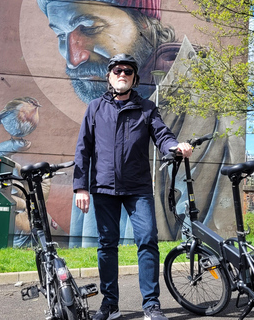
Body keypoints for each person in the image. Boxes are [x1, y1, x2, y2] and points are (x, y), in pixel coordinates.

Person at [73, 54, 193, 320]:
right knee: (107, 245)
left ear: (134, 78)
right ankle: (110, 304)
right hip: (103, 188)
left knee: (147, 241)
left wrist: (175, 147)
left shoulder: (147, 108)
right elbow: (83, 149)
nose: (122, 75)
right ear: (109, 76)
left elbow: (162, 135)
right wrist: (81, 187)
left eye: (127, 71)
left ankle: (151, 305)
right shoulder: (95, 108)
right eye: (117, 70)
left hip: (138, 188)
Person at [36, 0, 178, 102]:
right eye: (60, 35)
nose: (73, 60)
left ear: (143, 23)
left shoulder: (194, 95)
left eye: (90, 29)